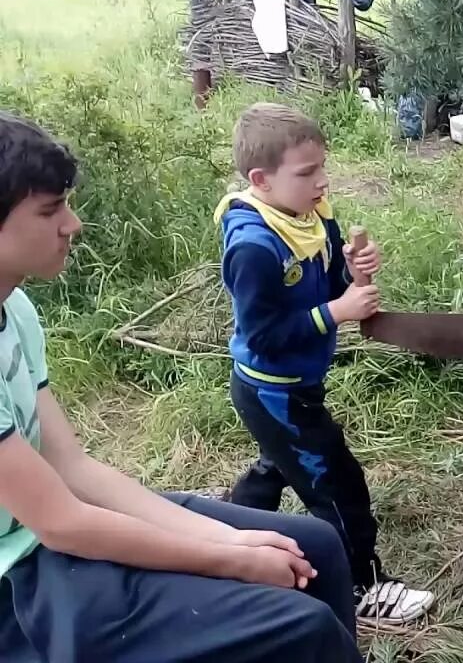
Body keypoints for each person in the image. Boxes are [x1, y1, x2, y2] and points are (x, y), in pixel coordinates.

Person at [0, 111, 363, 662]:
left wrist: (230, 537)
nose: (72, 225)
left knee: (318, 549)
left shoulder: (16, 308)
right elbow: (62, 524)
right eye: (50, 210)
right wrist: (233, 558)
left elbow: (73, 468)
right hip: (22, 579)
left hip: (60, 526)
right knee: (301, 624)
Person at [215, 102, 434, 623]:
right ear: (261, 180)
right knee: (337, 485)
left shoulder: (312, 215)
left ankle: (223, 539)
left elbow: (334, 280)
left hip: (296, 384)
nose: (322, 182)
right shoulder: (254, 247)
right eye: (307, 173)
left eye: (322, 167)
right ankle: (363, 586)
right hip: (275, 391)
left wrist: (354, 274)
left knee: (280, 466)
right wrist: (338, 311)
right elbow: (265, 336)